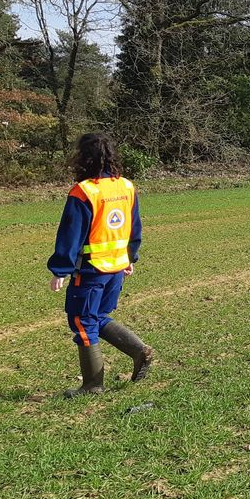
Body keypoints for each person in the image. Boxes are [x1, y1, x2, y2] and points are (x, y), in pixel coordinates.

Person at [48, 133, 153, 398]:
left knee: (82, 322)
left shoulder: (84, 191)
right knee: (98, 317)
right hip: (117, 268)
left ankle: (92, 386)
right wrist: (130, 257)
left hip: (91, 271)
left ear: (83, 158)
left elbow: (71, 233)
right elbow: (134, 227)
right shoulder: (126, 187)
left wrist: (61, 269)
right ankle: (139, 351)